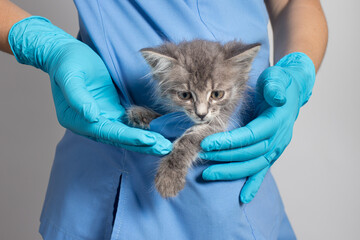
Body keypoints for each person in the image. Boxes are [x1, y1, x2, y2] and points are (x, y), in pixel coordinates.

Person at [0, 0, 328, 239]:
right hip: (105, 160)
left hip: (232, 181)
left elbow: (291, 4)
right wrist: (42, 42)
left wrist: (296, 72)